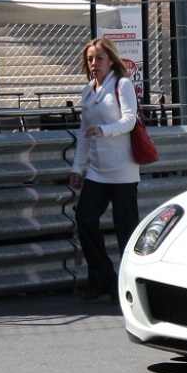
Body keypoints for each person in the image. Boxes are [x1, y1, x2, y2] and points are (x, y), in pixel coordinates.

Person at [68, 37, 140, 303]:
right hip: (97, 172)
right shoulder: (88, 91)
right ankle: (101, 278)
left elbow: (129, 120)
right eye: (90, 59)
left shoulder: (122, 84)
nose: (94, 63)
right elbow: (84, 134)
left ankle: (126, 286)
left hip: (123, 171)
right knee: (85, 219)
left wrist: (105, 131)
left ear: (110, 60)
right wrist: (78, 167)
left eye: (99, 58)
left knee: (126, 230)